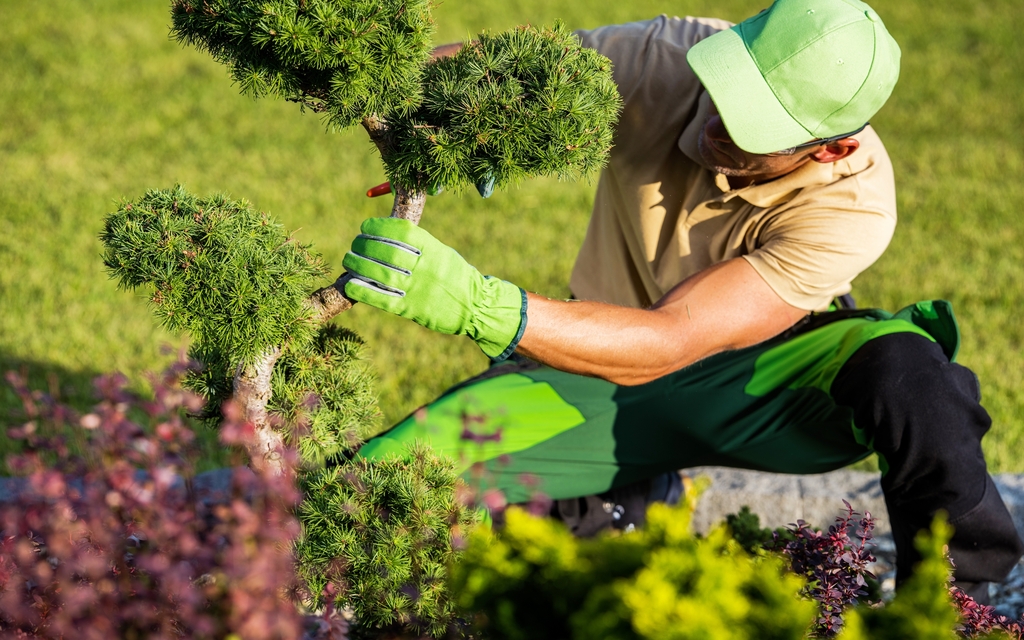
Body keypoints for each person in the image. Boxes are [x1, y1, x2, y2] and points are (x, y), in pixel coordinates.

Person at [342, 0, 1023, 601]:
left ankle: (957, 606)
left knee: (911, 374)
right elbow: (488, 66)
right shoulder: (671, 54)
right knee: (381, 486)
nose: (718, 122)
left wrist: (478, 305)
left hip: (767, 391)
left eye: (753, 128)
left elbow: (673, 338)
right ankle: (631, 500)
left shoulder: (854, 207)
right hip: (594, 370)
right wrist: (448, 112)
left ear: (831, 148)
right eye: (728, 90)